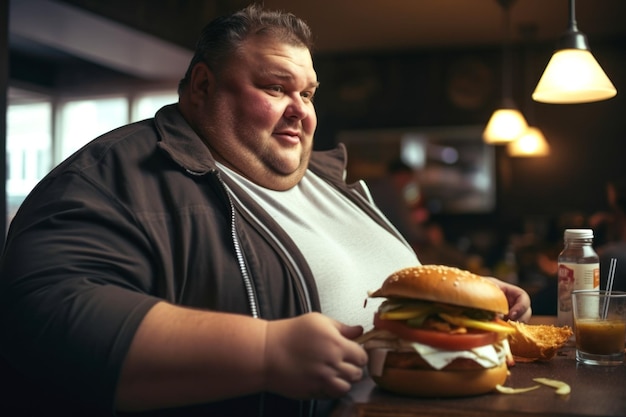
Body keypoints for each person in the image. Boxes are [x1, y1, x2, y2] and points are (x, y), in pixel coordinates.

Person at [0, 5, 531, 417]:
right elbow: (45, 316)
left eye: (309, 93)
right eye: (277, 88)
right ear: (204, 86)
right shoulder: (115, 175)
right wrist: (264, 352)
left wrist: (463, 302)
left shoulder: (329, 177)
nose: (300, 109)